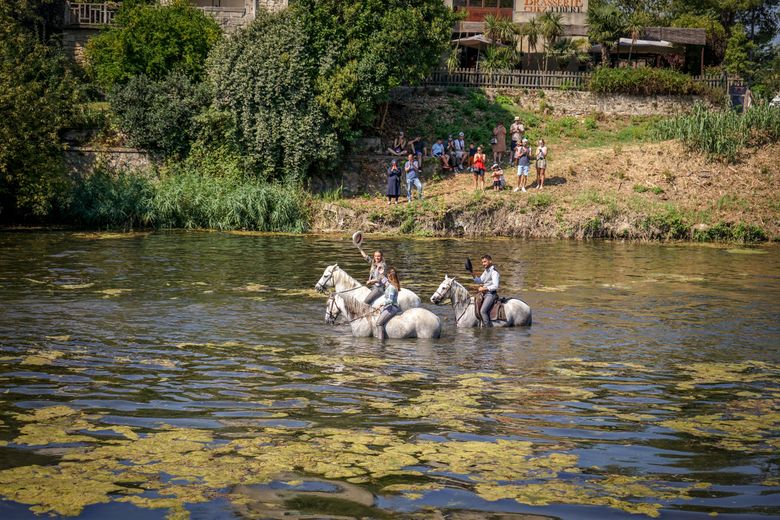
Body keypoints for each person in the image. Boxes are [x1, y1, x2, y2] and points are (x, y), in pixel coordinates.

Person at [470, 255, 500, 327]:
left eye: (485, 262)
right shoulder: (486, 271)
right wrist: (471, 272)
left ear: (490, 261)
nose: (483, 264)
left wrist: (484, 289)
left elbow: (496, 286)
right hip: (484, 293)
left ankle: (487, 329)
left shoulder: (494, 272)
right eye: (482, 262)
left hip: (491, 294)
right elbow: (479, 280)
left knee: (483, 311)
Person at [374, 267, 401, 340]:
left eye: (387, 275)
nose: (386, 277)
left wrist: (381, 304)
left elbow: (390, 300)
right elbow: (384, 281)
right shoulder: (391, 284)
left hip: (391, 308)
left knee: (379, 324)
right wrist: (380, 273)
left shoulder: (391, 287)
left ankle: (381, 342)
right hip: (390, 307)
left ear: (389, 276)